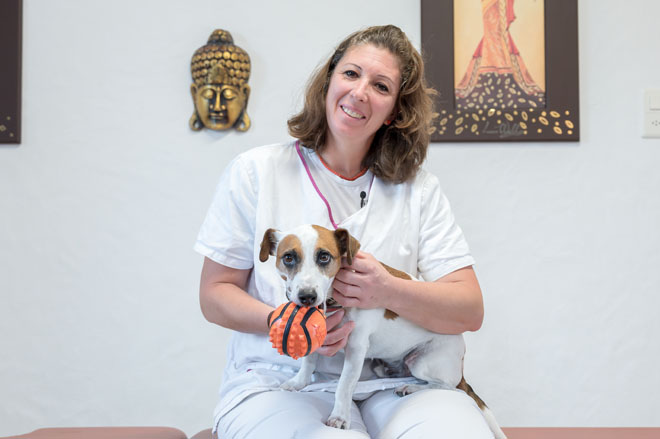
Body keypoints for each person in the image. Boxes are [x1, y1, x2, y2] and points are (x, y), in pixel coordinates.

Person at [195, 25, 494, 438]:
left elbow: (469, 310)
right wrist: (286, 323)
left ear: (394, 110)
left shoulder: (418, 189)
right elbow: (214, 295)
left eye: (381, 85)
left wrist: (388, 290)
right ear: (329, 81)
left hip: (393, 382)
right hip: (278, 379)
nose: (360, 93)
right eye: (351, 74)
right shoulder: (256, 171)